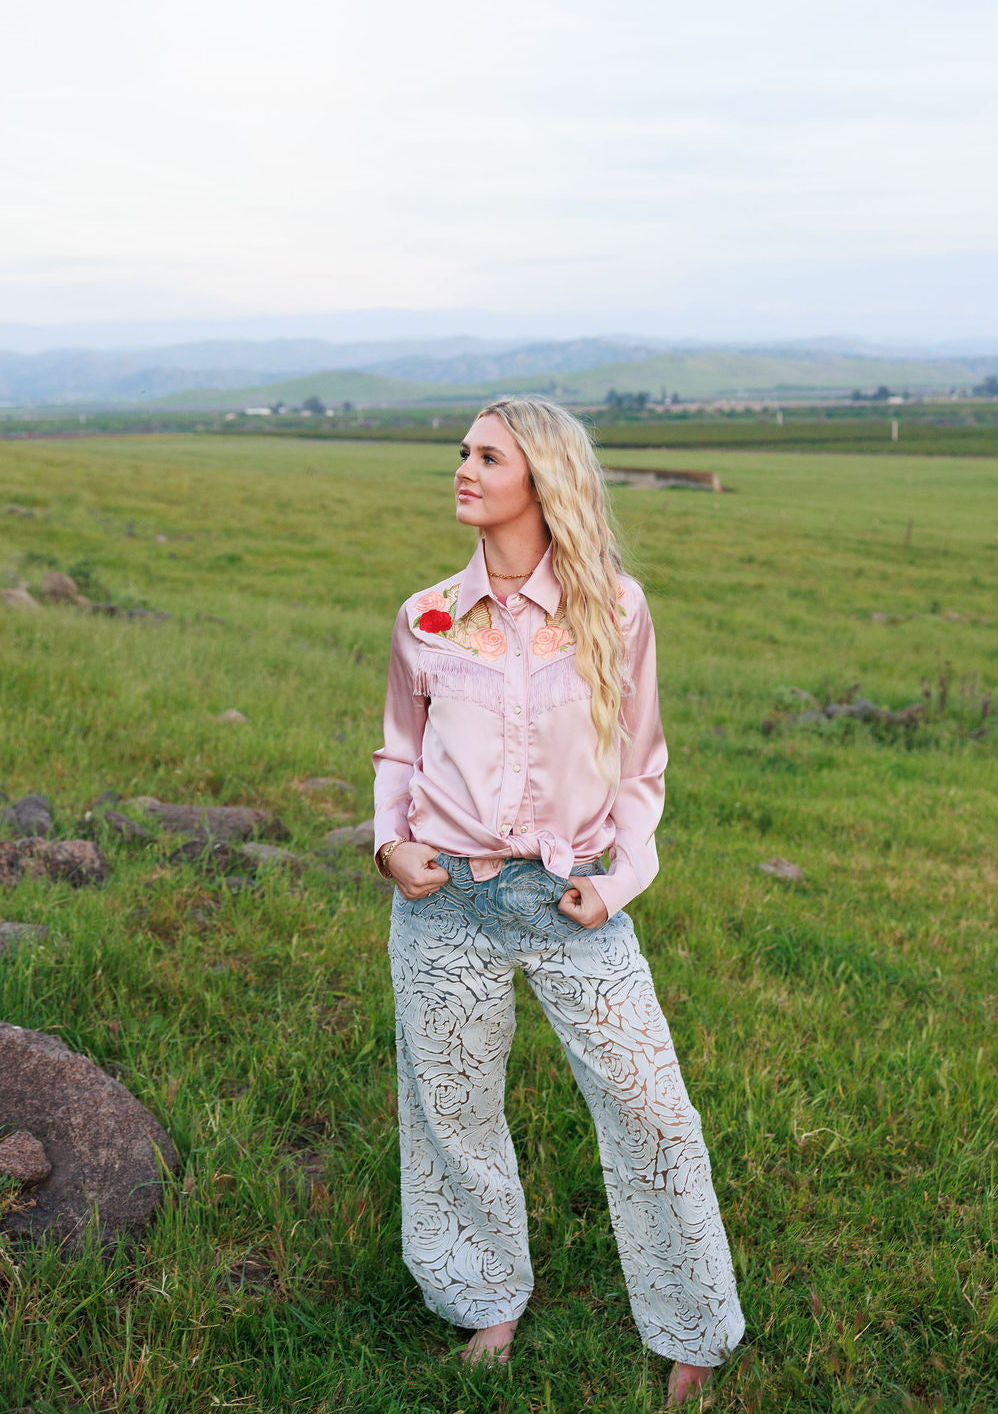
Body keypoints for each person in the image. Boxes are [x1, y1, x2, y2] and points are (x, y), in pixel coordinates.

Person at [372, 397, 744, 1404]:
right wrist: (391, 845)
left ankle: (695, 1332)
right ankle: (485, 1301)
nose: (461, 468)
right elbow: (399, 750)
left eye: (486, 457)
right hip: (444, 902)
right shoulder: (425, 617)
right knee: (453, 1117)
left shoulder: (614, 611)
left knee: (654, 1112)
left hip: (573, 903)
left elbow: (642, 768)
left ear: (541, 478)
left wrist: (618, 882)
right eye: (461, 452)